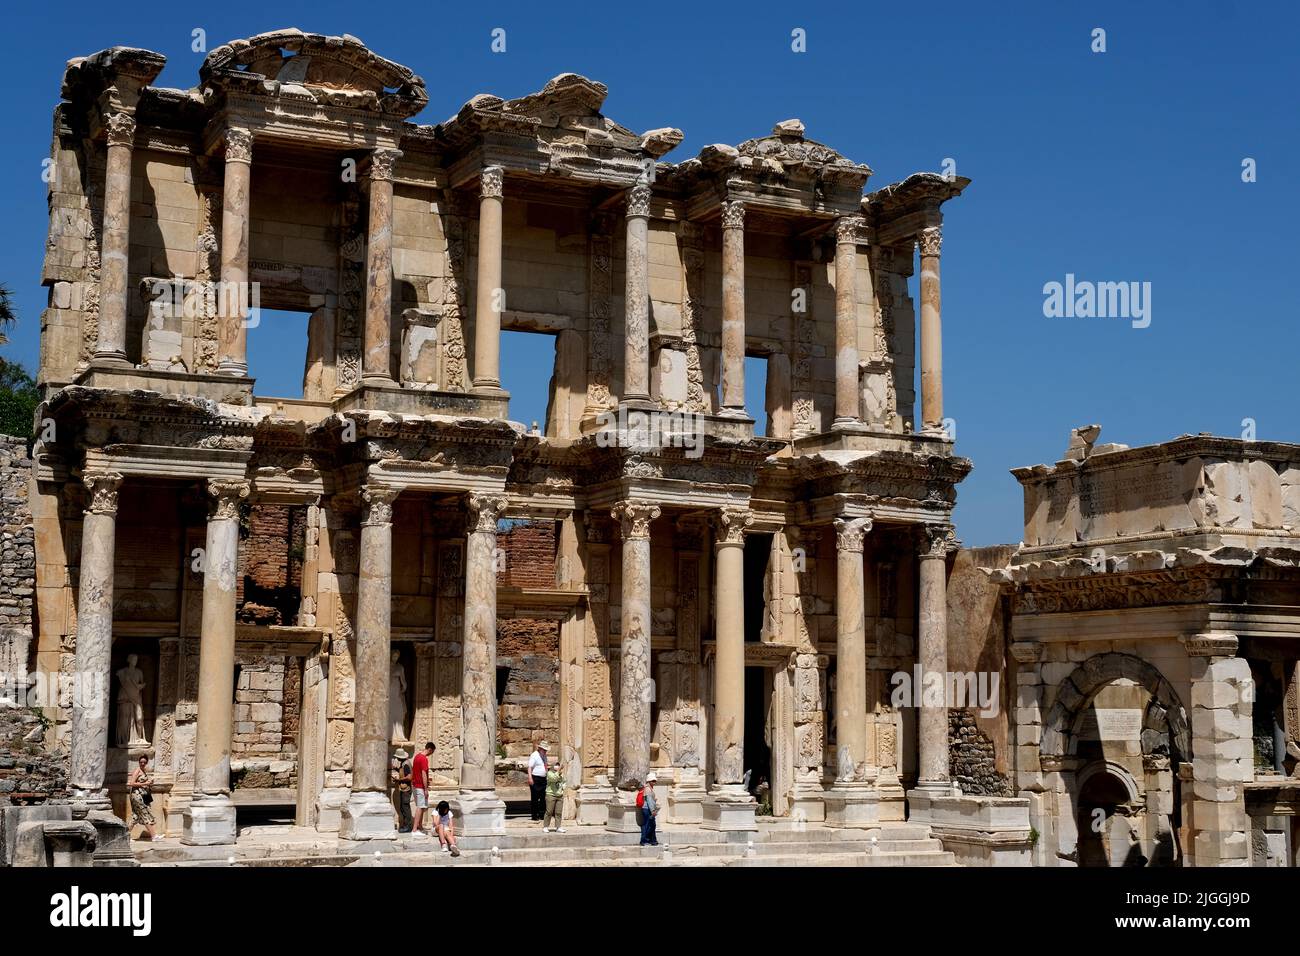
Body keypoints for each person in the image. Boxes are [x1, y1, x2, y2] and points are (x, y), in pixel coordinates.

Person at [128, 755, 161, 842]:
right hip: (137, 796)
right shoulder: (137, 771)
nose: (142, 763)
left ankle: (125, 836)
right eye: (141, 762)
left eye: (144, 762)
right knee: (145, 814)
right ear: (139, 762)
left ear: (146, 763)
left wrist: (149, 783)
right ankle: (154, 836)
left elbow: (142, 782)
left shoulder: (144, 771)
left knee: (135, 816)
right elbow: (131, 783)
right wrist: (145, 783)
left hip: (142, 795)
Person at [411, 741, 435, 836]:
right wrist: (426, 789)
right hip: (420, 786)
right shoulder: (424, 759)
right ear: (430, 749)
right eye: (432, 752)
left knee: (421, 806)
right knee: (420, 807)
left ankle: (420, 826)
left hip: (415, 785)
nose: (431, 754)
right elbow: (423, 774)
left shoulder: (417, 757)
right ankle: (414, 829)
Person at [528, 740, 549, 822]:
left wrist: (547, 775)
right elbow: (530, 767)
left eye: (546, 750)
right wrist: (530, 778)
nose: (545, 751)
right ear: (540, 748)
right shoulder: (534, 755)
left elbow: (545, 765)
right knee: (535, 798)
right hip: (535, 778)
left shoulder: (544, 756)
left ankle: (542, 814)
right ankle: (534, 815)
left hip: (543, 779)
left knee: (543, 798)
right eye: (544, 749)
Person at [393, 748, 413, 833]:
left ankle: (408, 826)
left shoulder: (406, 764)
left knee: (405, 808)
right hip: (403, 788)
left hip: (406, 789)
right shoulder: (403, 763)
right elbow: (404, 773)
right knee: (402, 807)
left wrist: (399, 780)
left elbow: (409, 777)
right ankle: (405, 825)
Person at [543, 761, 566, 833]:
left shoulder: (561, 774)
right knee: (549, 811)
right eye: (556, 765)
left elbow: (564, 781)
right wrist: (559, 771)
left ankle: (558, 827)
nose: (557, 766)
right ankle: (546, 826)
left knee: (558, 812)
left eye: (558, 765)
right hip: (551, 795)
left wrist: (563, 788)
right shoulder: (549, 773)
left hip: (559, 795)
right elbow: (554, 779)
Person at [638, 771, 660, 846]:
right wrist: (653, 810)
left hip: (648, 809)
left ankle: (652, 840)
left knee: (651, 825)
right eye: (653, 781)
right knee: (647, 825)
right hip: (647, 809)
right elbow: (649, 801)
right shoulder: (648, 789)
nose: (654, 782)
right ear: (649, 781)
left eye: (655, 781)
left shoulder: (649, 788)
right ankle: (644, 841)